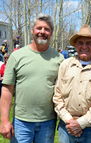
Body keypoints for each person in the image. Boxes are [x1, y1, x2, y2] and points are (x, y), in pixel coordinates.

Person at [0, 14, 64, 143]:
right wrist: (4, 120)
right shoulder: (17, 56)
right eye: (39, 28)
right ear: (32, 31)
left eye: (46, 29)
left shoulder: (59, 59)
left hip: (48, 121)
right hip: (21, 123)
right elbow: (7, 90)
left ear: (51, 33)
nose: (42, 32)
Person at [53, 24, 91, 143]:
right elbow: (57, 96)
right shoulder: (65, 65)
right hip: (67, 127)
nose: (84, 46)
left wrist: (81, 123)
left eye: (89, 43)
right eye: (80, 43)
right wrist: (70, 121)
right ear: (75, 45)